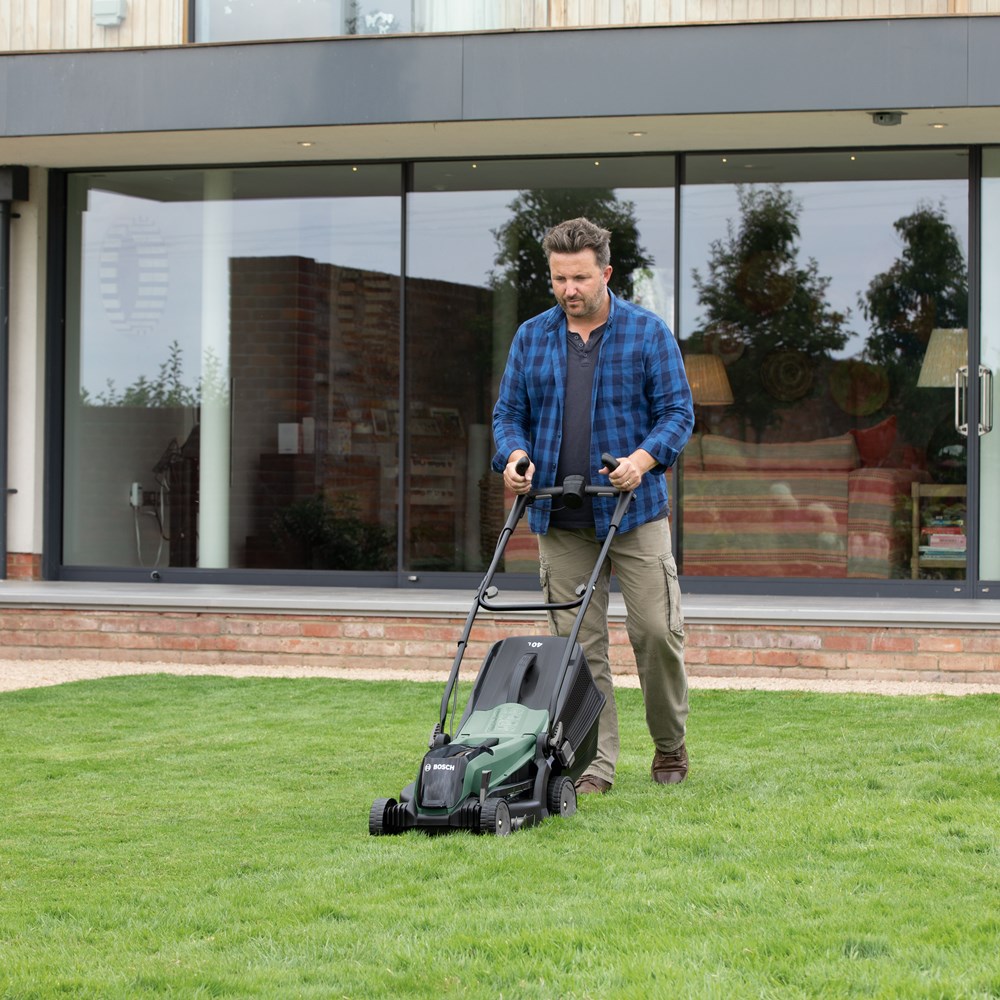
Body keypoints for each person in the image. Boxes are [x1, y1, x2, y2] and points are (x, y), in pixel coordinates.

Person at [491, 217, 694, 794]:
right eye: (559, 278)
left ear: (606, 273)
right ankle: (596, 765)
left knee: (656, 632)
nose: (569, 289)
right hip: (559, 515)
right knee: (579, 647)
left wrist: (642, 460)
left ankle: (669, 744)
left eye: (580, 277)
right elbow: (509, 415)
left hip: (634, 511)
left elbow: (677, 413)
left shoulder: (647, 333)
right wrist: (514, 456)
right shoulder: (532, 336)